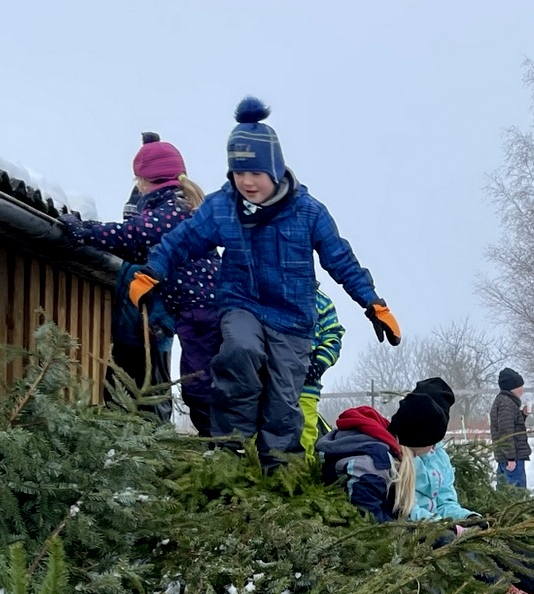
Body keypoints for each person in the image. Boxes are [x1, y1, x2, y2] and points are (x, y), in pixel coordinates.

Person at [129, 98, 401, 466]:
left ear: (274, 169)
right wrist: (153, 270)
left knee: (283, 397)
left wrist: (373, 303)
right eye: (239, 174)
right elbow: (184, 238)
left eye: (254, 173)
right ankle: (232, 442)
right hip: (242, 303)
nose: (247, 182)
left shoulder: (308, 212)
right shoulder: (223, 206)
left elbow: (340, 258)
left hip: (293, 318)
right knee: (241, 350)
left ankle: (278, 466)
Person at [316, 379, 534, 594]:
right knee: (465, 547)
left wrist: (467, 518)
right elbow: (397, 511)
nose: (435, 446)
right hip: (421, 530)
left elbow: (445, 499)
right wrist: (450, 527)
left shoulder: (426, 454)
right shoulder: (392, 461)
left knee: (493, 537)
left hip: (435, 524)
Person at [62, 133, 219, 423]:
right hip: (194, 309)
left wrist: (84, 231)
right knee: (197, 381)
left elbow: (132, 235)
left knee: (200, 385)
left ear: (145, 182)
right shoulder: (181, 205)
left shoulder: (173, 211)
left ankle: (220, 445)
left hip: (197, 310)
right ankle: (217, 442)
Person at [299, 289, 343, 455]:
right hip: (270, 383)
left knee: (305, 435)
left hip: (306, 387)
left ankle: (304, 475)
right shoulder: (270, 291)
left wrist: (318, 365)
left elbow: (333, 337)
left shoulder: (322, 302)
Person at [490, 367, 531, 488]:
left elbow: (512, 426)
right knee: (515, 491)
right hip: (512, 458)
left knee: (503, 492)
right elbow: (506, 432)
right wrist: (510, 458)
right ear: (512, 388)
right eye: (520, 386)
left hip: (508, 456)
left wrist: (522, 415)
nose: (522, 390)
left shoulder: (506, 402)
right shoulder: (506, 404)